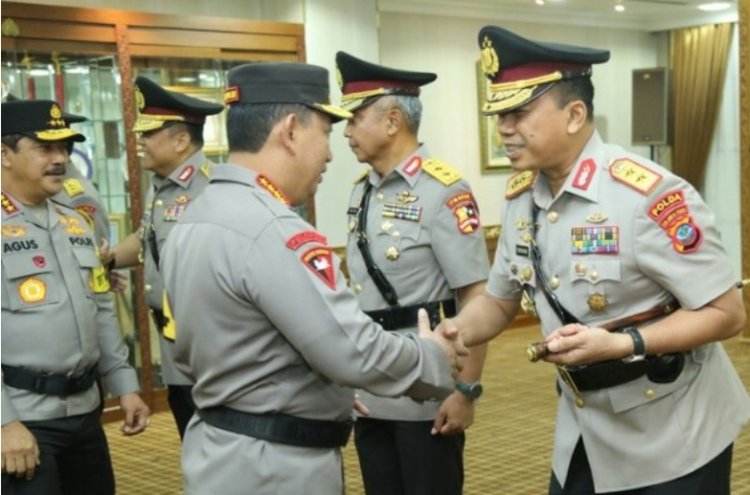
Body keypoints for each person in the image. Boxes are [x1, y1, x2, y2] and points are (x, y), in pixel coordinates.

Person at [444, 25, 750, 495]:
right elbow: (500, 302)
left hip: (673, 432)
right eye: (500, 114)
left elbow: (727, 313)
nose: (504, 127)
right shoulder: (521, 198)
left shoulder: (648, 195)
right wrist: (453, 333)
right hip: (586, 425)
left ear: (574, 114)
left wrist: (623, 343)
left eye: (519, 111)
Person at [160, 61, 467, 495]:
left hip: (218, 450)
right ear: (289, 130)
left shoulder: (194, 219)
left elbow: (222, 348)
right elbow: (353, 352)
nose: (328, 152)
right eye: (324, 132)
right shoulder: (273, 230)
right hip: (275, 467)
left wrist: (327, 395)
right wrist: (431, 356)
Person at [336, 51, 490, 495]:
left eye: (355, 117)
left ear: (392, 121)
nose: (346, 131)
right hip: (371, 386)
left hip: (428, 389)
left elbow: (475, 297)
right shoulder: (360, 192)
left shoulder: (442, 190)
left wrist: (466, 390)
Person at [1, 99, 150, 495]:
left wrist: (125, 385)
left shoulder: (76, 222)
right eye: (45, 148)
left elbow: (100, 309)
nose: (60, 158)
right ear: (4, 154)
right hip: (23, 419)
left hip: (85, 412)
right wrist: (4, 423)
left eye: (64, 148)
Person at [103, 76, 224, 439]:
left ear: (181, 140)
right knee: (194, 443)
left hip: (210, 349)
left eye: (149, 134)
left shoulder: (213, 188)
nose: (140, 142)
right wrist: (103, 260)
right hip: (174, 348)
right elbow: (145, 241)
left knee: (219, 446)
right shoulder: (164, 187)